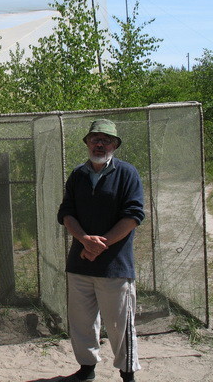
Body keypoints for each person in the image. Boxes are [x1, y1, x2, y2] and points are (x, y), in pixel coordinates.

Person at [56, 119, 144, 382]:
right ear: (87, 143)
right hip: (80, 263)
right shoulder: (77, 175)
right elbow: (66, 213)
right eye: (95, 138)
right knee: (82, 322)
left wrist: (99, 245)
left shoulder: (127, 173)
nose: (99, 143)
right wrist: (84, 240)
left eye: (106, 139)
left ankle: (128, 375)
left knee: (120, 325)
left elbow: (133, 216)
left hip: (115, 266)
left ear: (115, 145)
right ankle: (86, 370)